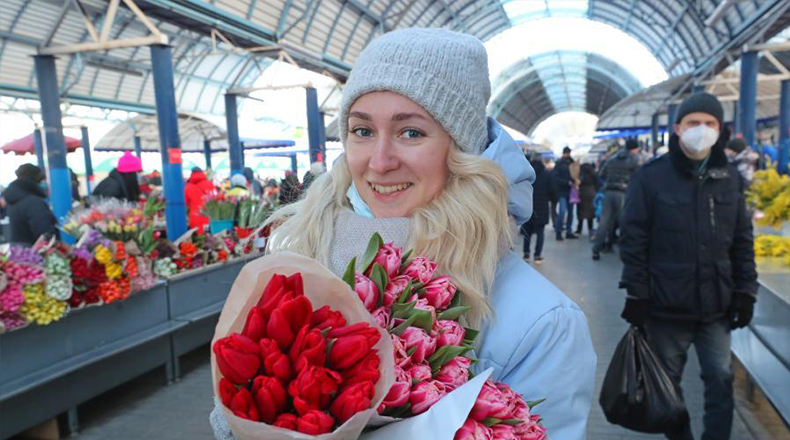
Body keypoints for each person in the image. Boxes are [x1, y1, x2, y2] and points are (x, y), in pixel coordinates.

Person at [210, 28, 596, 440]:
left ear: (462, 150)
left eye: (410, 132)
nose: (379, 161)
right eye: (362, 130)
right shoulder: (301, 258)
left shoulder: (544, 322)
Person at [618, 93, 757, 440]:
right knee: (669, 388)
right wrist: (637, 294)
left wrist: (746, 291)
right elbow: (633, 240)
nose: (702, 130)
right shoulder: (650, 178)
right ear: (678, 128)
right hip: (666, 307)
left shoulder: (729, 177)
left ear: (720, 129)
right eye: (694, 123)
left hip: (717, 307)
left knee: (721, 381)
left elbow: (742, 238)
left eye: (709, 123)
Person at [592, 139, 640, 260]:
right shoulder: (633, 161)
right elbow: (639, 177)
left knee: (604, 222)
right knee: (624, 222)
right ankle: (626, 251)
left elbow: (601, 174)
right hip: (623, 194)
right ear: (633, 149)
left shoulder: (611, 159)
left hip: (608, 192)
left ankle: (596, 250)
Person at [3, 164, 58, 245]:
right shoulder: (33, 202)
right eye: (41, 180)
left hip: (20, 252)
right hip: (37, 255)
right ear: (35, 179)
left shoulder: (14, 199)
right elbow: (44, 234)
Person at [521, 158, 557, 263]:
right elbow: (553, 191)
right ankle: (537, 255)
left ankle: (526, 254)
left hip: (528, 207)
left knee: (527, 232)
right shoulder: (547, 175)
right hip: (542, 208)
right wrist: (554, 200)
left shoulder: (526, 175)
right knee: (540, 232)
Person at [552, 146, 578, 240]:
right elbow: (555, 178)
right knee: (562, 211)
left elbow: (577, 174)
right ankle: (558, 232)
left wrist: (576, 180)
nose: (568, 155)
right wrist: (566, 182)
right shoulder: (559, 163)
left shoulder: (572, 162)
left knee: (570, 212)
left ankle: (569, 231)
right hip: (562, 191)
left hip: (571, 191)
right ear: (564, 153)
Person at [184, 167, 215, 232]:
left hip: (195, 218)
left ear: (191, 174)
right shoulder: (210, 184)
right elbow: (215, 199)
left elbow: (186, 203)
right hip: (209, 217)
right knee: (210, 238)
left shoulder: (188, 186)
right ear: (202, 173)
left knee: (198, 239)